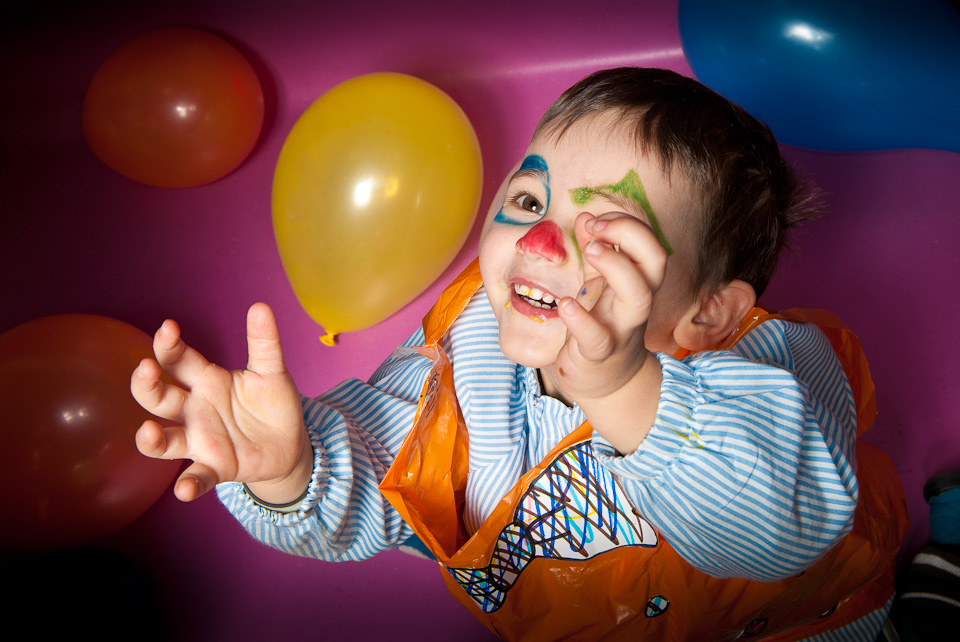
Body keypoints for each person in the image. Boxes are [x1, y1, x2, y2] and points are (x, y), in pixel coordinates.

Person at [131, 68, 906, 640]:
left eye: (607, 231)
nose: (541, 242)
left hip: (792, 623)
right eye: (530, 202)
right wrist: (288, 469)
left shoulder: (779, 366)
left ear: (707, 312)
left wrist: (622, 383)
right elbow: (382, 482)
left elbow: (779, 531)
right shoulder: (471, 351)